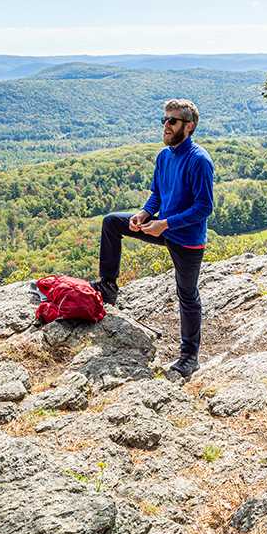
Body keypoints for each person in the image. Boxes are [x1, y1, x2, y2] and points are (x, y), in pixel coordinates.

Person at [90, 99, 214, 380]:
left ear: (189, 126)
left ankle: (189, 357)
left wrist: (165, 224)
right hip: (160, 226)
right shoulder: (164, 156)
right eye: (164, 120)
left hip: (187, 238)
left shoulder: (199, 160)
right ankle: (107, 287)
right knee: (112, 223)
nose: (166, 125)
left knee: (187, 295)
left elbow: (204, 207)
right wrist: (143, 214)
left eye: (172, 121)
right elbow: (157, 194)